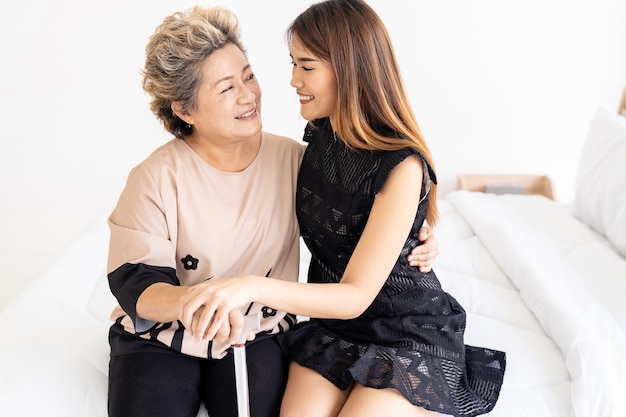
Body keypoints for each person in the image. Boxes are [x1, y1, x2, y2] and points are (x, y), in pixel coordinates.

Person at [106, 5, 439, 417]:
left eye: (248, 76)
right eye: (226, 88)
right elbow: (135, 282)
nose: (249, 95)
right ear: (184, 109)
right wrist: (203, 303)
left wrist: (416, 231)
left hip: (257, 331)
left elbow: (360, 203)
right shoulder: (155, 177)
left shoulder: (298, 162)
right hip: (161, 335)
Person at [182, 1, 506, 417]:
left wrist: (249, 286)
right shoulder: (321, 132)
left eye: (306, 66)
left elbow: (355, 294)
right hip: (335, 326)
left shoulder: (401, 165)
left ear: (350, 68)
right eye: (293, 64)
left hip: (403, 331)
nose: (293, 79)